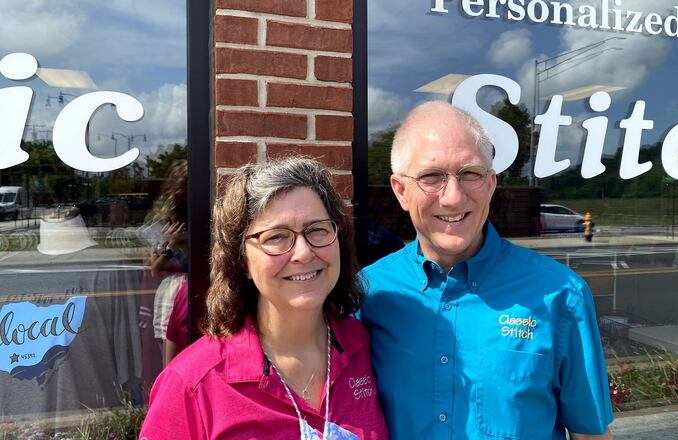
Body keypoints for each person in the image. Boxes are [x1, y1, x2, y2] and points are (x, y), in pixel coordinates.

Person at [360, 101, 613, 439]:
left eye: (470, 174)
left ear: (491, 184)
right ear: (401, 190)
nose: (452, 197)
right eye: (431, 176)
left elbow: (590, 434)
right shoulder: (368, 293)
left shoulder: (560, 295)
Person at [140, 158, 388, 439]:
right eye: (276, 237)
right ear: (242, 260)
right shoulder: (192, 384)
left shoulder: (369, 348)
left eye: (317, 229)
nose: (304, 253)